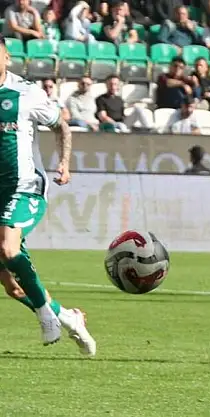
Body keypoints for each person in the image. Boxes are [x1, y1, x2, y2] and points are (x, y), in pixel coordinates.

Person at [0, 34, 96, 351]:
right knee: (12, 287)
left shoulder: (26, 93)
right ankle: (70, 318)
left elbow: (61, 125)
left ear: (7, 58)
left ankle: (45, 314)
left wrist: (64, 163)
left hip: (24, 187)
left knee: (8, 248)